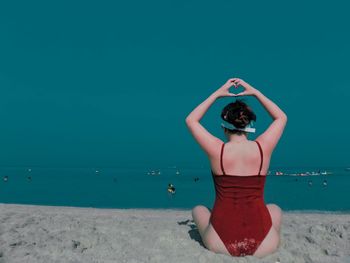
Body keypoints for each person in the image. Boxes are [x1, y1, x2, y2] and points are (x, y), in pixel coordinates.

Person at [185, 78, 287, 257]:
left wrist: (218, 93)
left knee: (198, 210)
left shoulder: (218, 150)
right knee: (275, 209)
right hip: (263, 244)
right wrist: (254, 92)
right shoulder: (263, 148)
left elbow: (191, 120)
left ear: (224, 128)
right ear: (248, 126)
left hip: (221, 243)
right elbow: (281, 117)